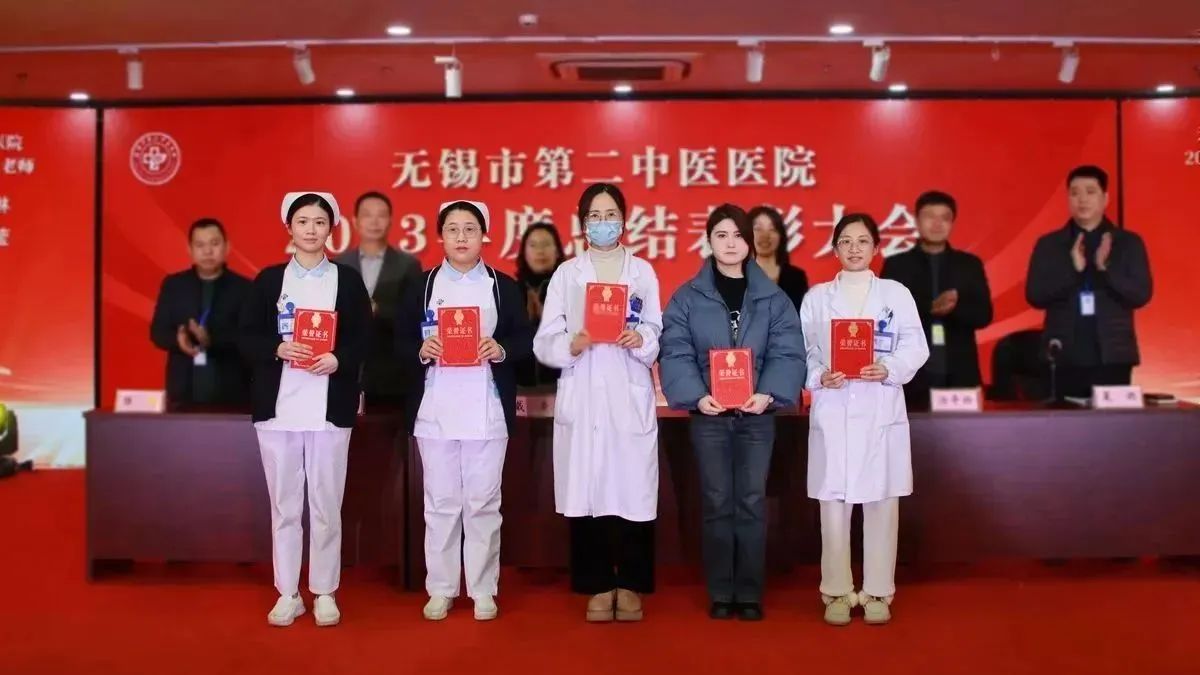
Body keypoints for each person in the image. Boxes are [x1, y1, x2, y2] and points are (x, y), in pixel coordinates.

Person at [659, 204, 804, 621]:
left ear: (749, 242)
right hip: (710, 416)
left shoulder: (773, 298)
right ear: (709, 241)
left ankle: (750, 592)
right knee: (717, 501)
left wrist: (769, 393)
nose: (730, 243)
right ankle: (722, 591)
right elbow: (675, 351)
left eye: (738, 235)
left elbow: (788, 352)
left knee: (753, 501)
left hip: (758, 416)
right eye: (721, 235)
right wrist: (697, 396)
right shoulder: (688, 297)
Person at [238, 192, 372, 628]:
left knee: (326, 503)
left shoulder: (346, 280)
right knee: (285, 505)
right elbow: (245, 337)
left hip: (329, 409)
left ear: (331, 229)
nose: (311, 229)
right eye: (303, 221)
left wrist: (339, 359)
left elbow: (364, 338)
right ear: (289, 228)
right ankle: (288, 592)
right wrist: (277, 348)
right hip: (278, 409)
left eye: (319, 222)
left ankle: (325, 591)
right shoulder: (269, 280)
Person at [396, 200, 533, 622]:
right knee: (440, 502)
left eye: (470, 229)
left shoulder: (502, 287)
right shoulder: (421, 287)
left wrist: (500, 348)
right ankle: (440, 588)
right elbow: (398, 343)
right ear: (440, 236)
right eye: (452, 229)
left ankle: (483, 588)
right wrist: (421, 349)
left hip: (486, 408)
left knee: (483, 502)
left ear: (484, 236)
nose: (461, 237)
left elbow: (525, 340)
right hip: (435, 407)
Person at [532, 183, 663, 623]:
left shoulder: (642, 272)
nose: (603, 223)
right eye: (595, 216)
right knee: (587, 492)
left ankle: (631, 584)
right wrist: (571, 344)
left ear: (624, 221)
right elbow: (545, 339)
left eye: (611, 215)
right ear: (583, 223)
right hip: (584, 390)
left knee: (632, 492)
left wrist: (640, 339)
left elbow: (655, 329)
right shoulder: (567, 274)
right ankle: (597, 584)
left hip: (628, 390)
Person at [800, 213, 929, 627]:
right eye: (845, 241)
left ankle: (877, 590)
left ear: (876, 247)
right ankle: (836, 591)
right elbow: (805, 352)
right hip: (834, 407)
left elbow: (916, 346)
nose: (854, 248)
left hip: (879, 408)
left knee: (881, 503)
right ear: (834, 248)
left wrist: (889, 368)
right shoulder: (817, 298)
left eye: (862, 241)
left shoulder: (895, 294)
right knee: (833, 507)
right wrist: (819, 376)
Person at [1025, 165, 1152, 399]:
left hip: (1113, 356)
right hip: (1063, 356)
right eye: (1074, 193)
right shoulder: (1049, 244)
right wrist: (1073, 270)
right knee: (1064, 421)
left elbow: (1141, 294)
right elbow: (1035, 295)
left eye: (1090, 192)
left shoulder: (1128, 242)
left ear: (1105, 198)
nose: (1082, 199)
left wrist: (1105, 270)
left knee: (1112, 422)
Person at [881, 191, 993, 409]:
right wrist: (929, 307)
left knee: (963, 430)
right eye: (930, 216)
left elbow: (984, 315)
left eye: (944, 218)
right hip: (911, 374)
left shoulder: (969, 265)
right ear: (917, 220)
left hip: (960, 371)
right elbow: (885, 316)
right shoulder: (897, 265)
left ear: (952, 223)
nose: (937, 224)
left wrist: (955, 308)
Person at [150, 218, 252, 410]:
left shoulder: (245, 288)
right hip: (182, 395)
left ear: (227, 247)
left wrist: (211, 339)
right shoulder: (174, 286)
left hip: (232, 395)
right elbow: (158, 332)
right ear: (189, 249)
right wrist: (178, 340)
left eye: (214, 243)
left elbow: (250, 338)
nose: (207, 251)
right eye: (200, 245)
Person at [334, 191, 422, 409]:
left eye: (381, 215)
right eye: (367, 215)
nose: (374, 222)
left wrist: (378, 309)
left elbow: (414, 314)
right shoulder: (338, 264)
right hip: (345, 367)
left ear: (390, 221)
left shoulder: (407, 265)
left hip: (391, 369)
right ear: (355, 221)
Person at [514, 221, 567, 388]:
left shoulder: (569, 289)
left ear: (557, 251)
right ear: (524, 252)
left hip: (562, 384)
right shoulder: (511, 290)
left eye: (546, 244)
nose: (540, 251)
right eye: (533, 245)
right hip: (520, 387)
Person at [748, 206, 809, 312]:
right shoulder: (734, 276)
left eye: (772, 229)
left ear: (781, 236)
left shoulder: (796, 277)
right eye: (758, 229)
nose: (765, 236)